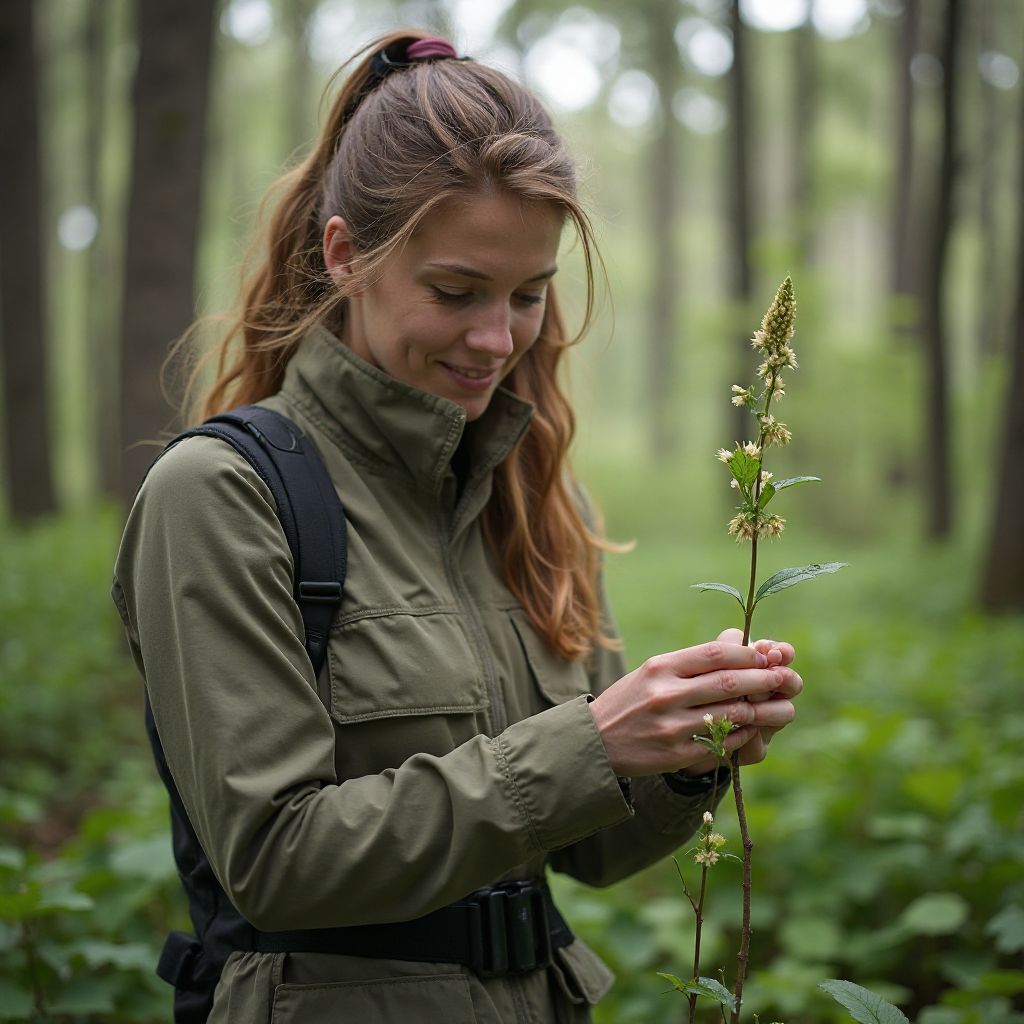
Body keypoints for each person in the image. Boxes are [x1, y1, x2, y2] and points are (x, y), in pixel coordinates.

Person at [112, 29, 802, 1024]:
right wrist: (591, 743)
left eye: (529, 295)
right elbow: (273, 859)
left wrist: (683, 747)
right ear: (346, 252)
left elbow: (590, 852)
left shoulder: (537, 503)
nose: (496, 340)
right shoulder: (223, 494)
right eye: (455, 291)